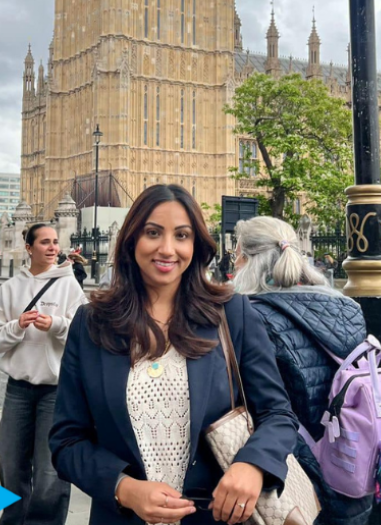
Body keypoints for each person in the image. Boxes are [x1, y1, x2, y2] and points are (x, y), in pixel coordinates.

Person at [49, 185, 298, 525]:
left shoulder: (232, 314)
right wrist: (123, 488)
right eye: (153, 233)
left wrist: (252, 465)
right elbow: (67, 441)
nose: (168, 249)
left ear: (195, 245)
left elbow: (277, 414)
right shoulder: (91, 324)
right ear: (132, 239)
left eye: (182, 235)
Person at [232, 216, 373, 525]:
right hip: (353, 468)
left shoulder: (249, 315)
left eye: (235, 253)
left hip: (293, 482)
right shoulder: (346, 308)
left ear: (245, 258)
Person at [0, 224, 88, 525]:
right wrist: (17, 326)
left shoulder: (70, 285)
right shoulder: (10, 288)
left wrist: (57, 325)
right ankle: (12, 519)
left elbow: (82, 336)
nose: (52, 247)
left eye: (55, 242)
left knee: (50, 471)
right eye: (45, 242)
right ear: (29, 247)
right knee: (10, 463)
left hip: (55, 391)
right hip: (17, 388)